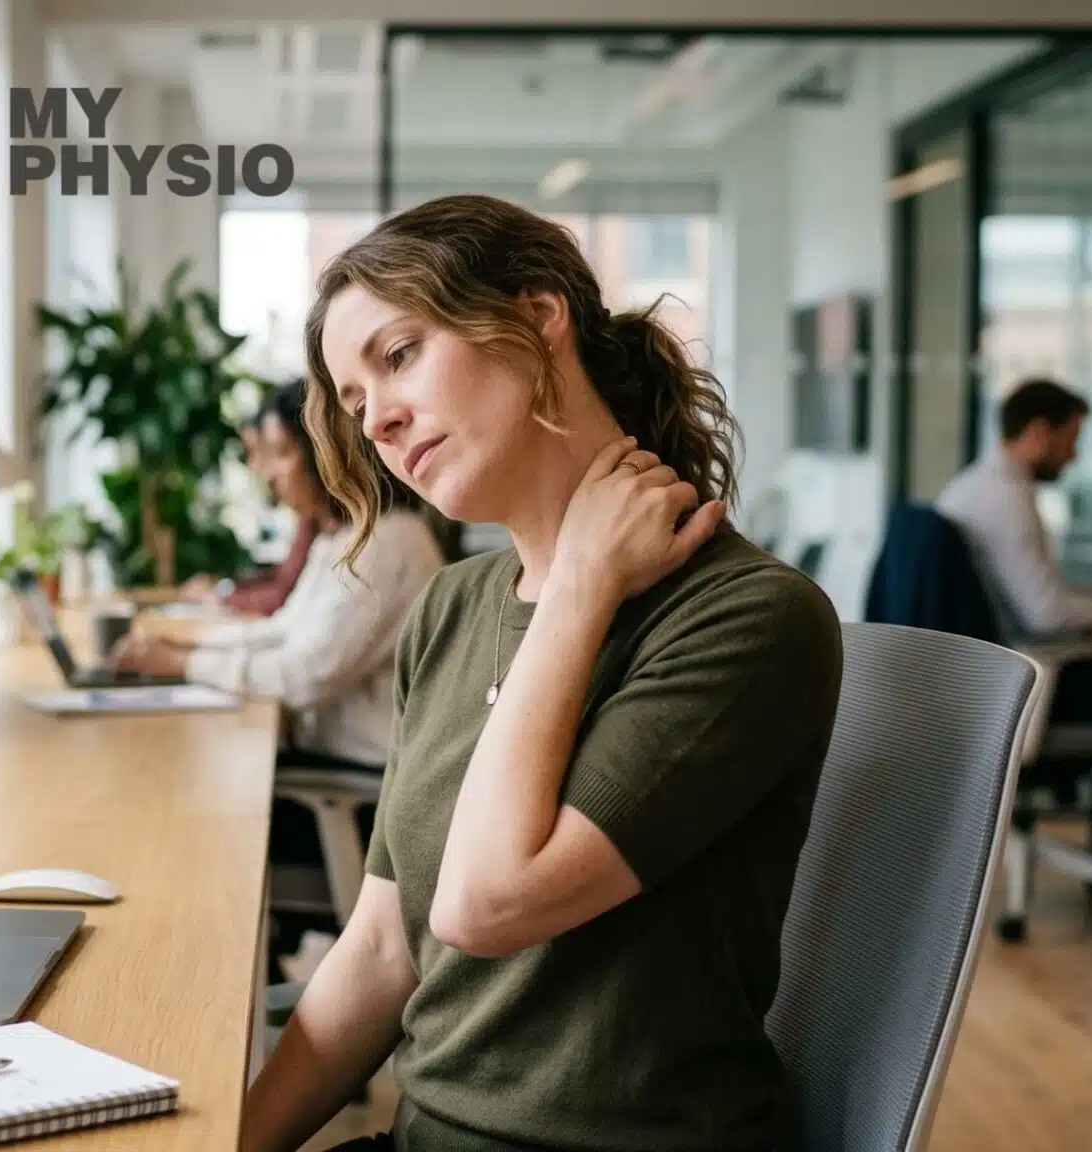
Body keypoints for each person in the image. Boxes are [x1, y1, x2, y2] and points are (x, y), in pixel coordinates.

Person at [240, 194, 843, 1152]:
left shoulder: (750, 618)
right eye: (354, 405)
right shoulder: (451, 607)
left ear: (538, 316)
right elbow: (384, 947)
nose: (379, 421)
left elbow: (486, 904)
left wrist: (578, 589)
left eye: (400, 356)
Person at [109, 381, 445, 768]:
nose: (269, 473)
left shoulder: (387, 543)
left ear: (325, 452)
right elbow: (283, 630)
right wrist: (190, 647)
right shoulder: (342, 539)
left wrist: (185, 663)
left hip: (357, 768)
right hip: (327, 755)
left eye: (282, 453)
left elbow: (304, 676)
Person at [936, 377, 1092, 638]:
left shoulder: (975, 482)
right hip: (1013, 651)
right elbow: (1046, 613)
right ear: (1040, 432)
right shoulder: (1004, 497)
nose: (1072, 455)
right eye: (1070, 440)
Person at [179, 388, 323, 617]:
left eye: (269, 451)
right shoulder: (314, 519)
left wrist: (223, 596)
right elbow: (284, 577)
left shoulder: (321, 518)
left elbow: (283, 592)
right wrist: (224, 588)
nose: (257, 467)